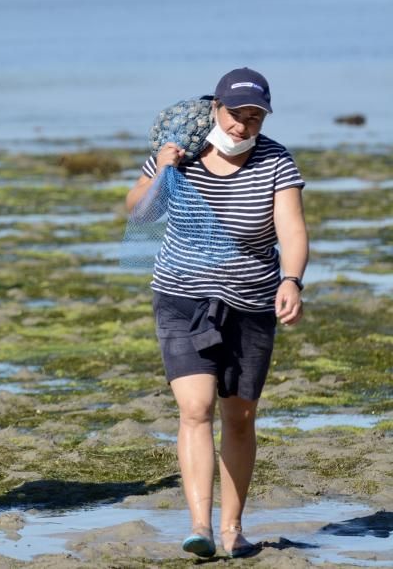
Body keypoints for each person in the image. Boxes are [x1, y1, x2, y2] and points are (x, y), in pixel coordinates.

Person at [125, 68, 308, 558]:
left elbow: (291, 230)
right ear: (216, 109)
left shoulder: (276, 161)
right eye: (235, 115)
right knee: (195, 409)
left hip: (251, 302)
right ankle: (200, 527)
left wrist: (291, 279)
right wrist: (163, 168)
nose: (242, 126)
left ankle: (233, 529)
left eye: (255, 118)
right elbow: (139, 213)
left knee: (240, 416)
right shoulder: (179, 146)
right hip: (181, 297)